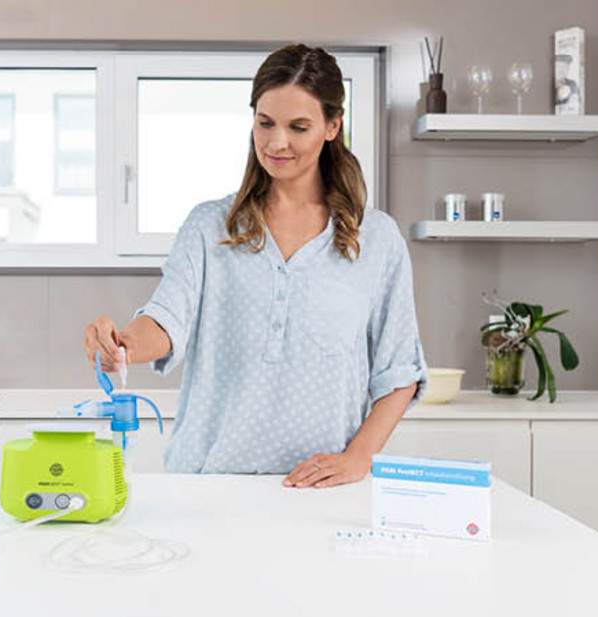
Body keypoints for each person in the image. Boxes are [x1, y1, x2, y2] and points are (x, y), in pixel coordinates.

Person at [81, 44, 427, 489]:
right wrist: (122, 345)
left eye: (298, 126)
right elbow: (167, 320)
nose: (276, 142)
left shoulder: (375, 239)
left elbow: (400, 370)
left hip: (322, 490)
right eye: (265, 123)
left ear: (332, 126)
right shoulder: (210, 226)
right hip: (210, 484)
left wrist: (358, 458)